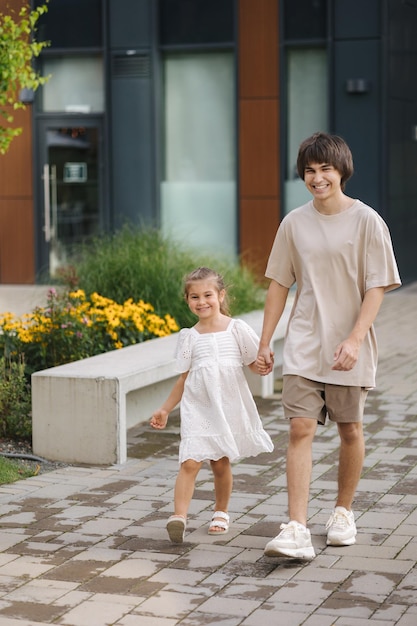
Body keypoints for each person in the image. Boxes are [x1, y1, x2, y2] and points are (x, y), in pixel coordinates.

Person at [256, 132, 401, 560]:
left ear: (342, 172)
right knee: (300, 428)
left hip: (347, 346)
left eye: (325, 170)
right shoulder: (294, 223)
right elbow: (279, 284)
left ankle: (342, 511)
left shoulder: (367, 221)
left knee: (349, 429)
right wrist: (265, 343)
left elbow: (377, 286)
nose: (317, 178)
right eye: (309, 171)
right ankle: (297, 526)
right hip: (303, 343)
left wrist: (355, 338)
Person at [150, 266, 274, 543]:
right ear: (187, 300)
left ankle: (221, 512)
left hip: (225, 407)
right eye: (194, 297)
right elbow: (185, 378)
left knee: (220, 463)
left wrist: (262, 365)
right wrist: (165, 408)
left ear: (221, 295)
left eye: (208, 295)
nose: (202, 302)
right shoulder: (189, 337)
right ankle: (179, 517)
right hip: (198, 407)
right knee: (190, 461)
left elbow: (253, 363)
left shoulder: (236, 329)